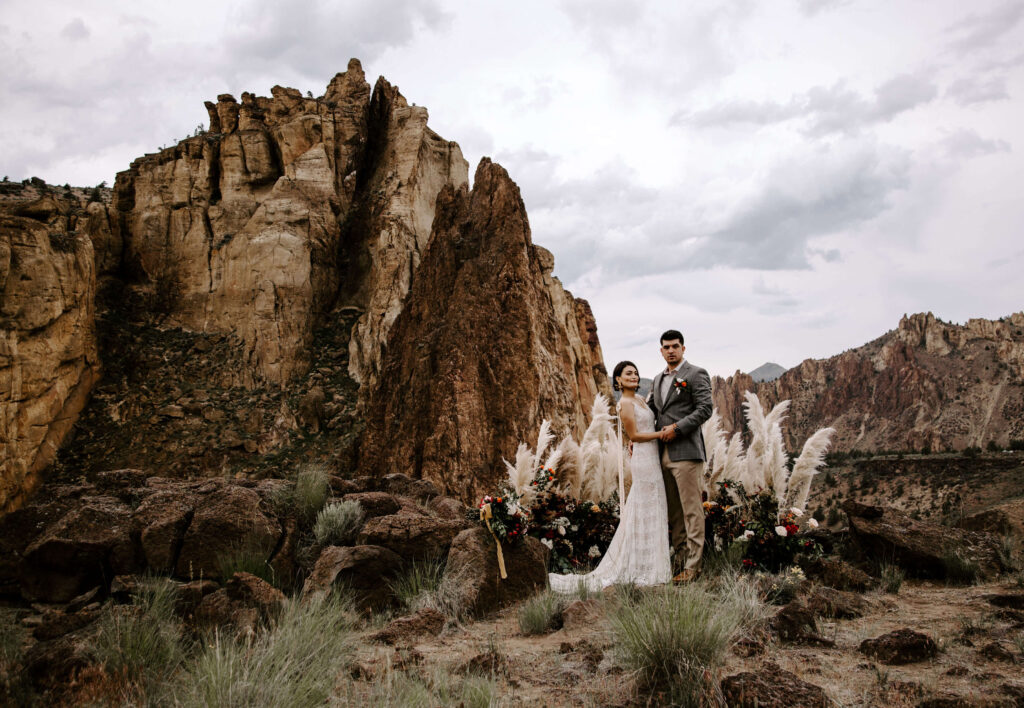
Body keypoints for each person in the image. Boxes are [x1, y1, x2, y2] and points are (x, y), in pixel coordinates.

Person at [549, 361, 672, 593]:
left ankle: (652, 564)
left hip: (651, 456)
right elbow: (634, 434)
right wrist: (662, 433)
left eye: (636, 373)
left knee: (653, 507)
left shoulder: (640, 400)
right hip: (645, 460)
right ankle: (642, 567)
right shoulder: (625, 403)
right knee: (645, 506)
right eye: (628, 374)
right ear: (618, 380)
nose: (634, 376)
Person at [649, 329, 713, 583]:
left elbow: (705, 408)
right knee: (674, 513)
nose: (671, 350)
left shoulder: (695, 374)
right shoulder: (657, 379)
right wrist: (637, 440)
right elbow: (652, 411)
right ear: (661, 350)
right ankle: (681, 561)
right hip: (662, 454)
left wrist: (677, 428)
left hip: (686, 452)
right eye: (666, 347)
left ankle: (694, 566)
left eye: (675, 346)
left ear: (683, 348)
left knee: (691, 511)